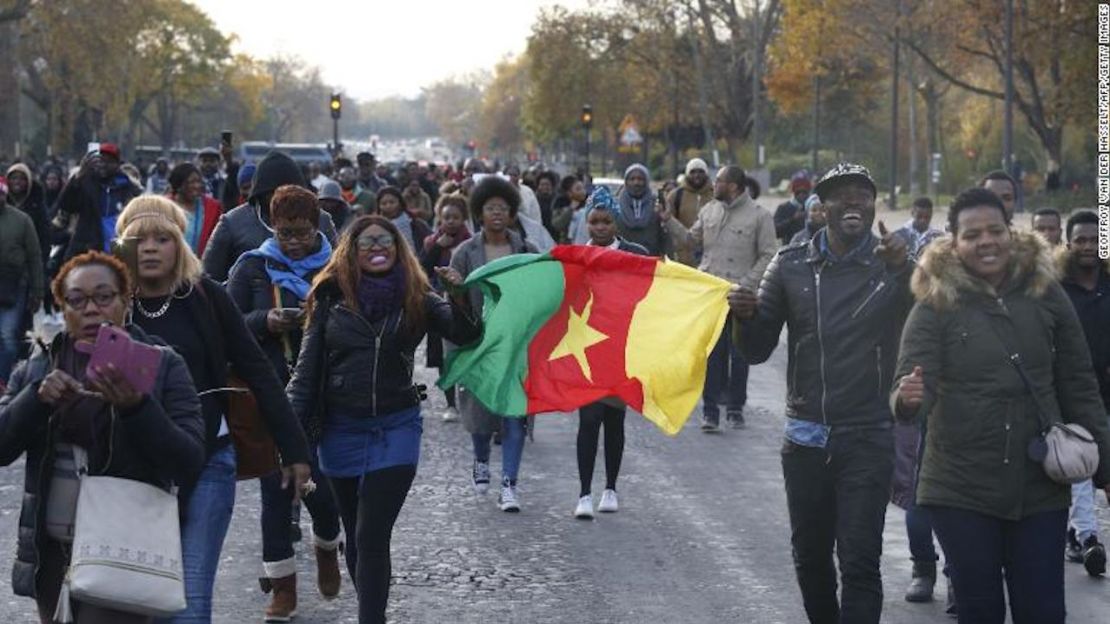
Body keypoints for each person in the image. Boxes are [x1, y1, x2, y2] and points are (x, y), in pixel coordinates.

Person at [892, 188, 1110, 623]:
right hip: (960, 486)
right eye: (972, 234)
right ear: (954, 242)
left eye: (995, 230)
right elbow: (912, 383)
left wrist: (1107, 470)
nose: (985, 241)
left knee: (1044, 610)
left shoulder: (1046, 293)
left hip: (1040, 485)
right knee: (979, 610)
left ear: (1011, 233)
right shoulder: (934, 303)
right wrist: (907, 399)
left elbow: (1078, 384)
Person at [114, 197, 313, 624]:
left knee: (189, 601)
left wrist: (294, 451)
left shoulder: (207, 298)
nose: (149, 248)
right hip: (129, 474)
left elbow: (259, 373)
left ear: (180, 246)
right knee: (136, 599)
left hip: (206, 461)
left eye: (162, 238)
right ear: (122, 247)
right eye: (138, 239)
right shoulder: (109, 302)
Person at [729, 163, 912, 623]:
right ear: (821, 206)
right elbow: (755, 351)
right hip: (807, 437)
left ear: (874, 205)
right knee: (810, 560)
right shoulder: (790, 264)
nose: (852, 201)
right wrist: (746, 319)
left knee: (859, 560)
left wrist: (906, 268)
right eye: (840, 194)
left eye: (862, 194)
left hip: (868, 435)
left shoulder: (891, 265)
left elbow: (929, 319)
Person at [287, 215, 480, 624]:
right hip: (339, 429)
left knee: (372, 534)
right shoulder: (328, 297)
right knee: (355, 533)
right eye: (367, 242)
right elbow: (305, 375)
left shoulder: (418, 295)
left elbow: (466, 336)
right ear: (351, 251)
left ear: (398, 250)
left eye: (386, 242)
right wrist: (288, 438)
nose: (378, 248)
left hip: (397, 425)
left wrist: (459, 295)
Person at [0, 251, 205, 623]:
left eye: (104, 297)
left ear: (126, 303)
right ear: (63, 310)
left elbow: (189, 461)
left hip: (120, 550)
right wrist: (36, 399)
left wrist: (137, 409)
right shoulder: (39, 366)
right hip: (52, 556)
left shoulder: (163, 366)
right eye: (76, 300)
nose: (91, 309)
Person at [226, 186, 344, 620]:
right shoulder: (253, 267)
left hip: (321, 395)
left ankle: (328, 543)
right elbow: (229, 323)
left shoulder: (336, 270)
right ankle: (283, 587)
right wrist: (265, 320)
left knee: (320, 488)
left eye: (302, 232)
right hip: (267, 395)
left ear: (318, 228)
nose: (293, 242)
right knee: (275, 491)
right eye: (284, 233)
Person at [662, 165, 777, 431]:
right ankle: (710, 411)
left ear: (734, 186)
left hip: (741, 298)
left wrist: (746, 285)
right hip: (711, 296)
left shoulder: (759, 217)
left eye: (719, 181)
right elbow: (691, 241)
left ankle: (735, 409)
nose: (714, 185)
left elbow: (769, 255)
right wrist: (669, 220)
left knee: (739, 356)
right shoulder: (710, 210)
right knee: (712, 355)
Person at [449, 176, 537, 511]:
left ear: (512, 214)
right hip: (478, 344)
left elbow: (541, 290)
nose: (497, 213)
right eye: (490, 208)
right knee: (480, 418)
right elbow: (453, 298)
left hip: (516, 346)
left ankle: (510, 485)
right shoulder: (465, 252)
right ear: (480, 213)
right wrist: (453, 286)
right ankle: (481, 459)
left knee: (514, 416)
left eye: (503, 208)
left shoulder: (527, 251)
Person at [572, 188, 648, 520]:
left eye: (606, 221)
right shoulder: (575, 258)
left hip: (621, 350)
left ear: (615, 221)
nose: (600, 227)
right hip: (586, 350)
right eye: (594, 222)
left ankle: (611, 487)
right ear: (586, 223)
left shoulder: (635, 255)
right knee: (588, 421)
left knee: (614, 420)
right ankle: (584, 492)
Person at [1058, 210, 1109, 577]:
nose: (1088, 246)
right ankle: (1087, 538)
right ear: (1069, 243)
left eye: (1095, 239)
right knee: (1080, 466)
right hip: (1072, 394)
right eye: (1081, 240)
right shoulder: (1057, 290)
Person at [201, 151, 337, 283]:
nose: (282, 198)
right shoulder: (232, 223)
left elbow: (338, 271)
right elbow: (209, 280)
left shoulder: (322, 221)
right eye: (274, 193)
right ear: (261, 193)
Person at [420, 194, 472, 423]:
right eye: (446, 217)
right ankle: (451, 404)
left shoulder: (471, 243)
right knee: (444, 358)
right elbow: (422, 269)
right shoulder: (431, 242)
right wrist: (435, 249)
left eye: (456, 217)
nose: (451, 221)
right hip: (438, 305)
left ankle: (471, 400)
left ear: (464, 219)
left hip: (464, 305)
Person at [56, 144, 142, 261]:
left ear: (117, 165)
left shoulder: (128, 188)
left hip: (120, 251)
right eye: (100, 161)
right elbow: (66, 204)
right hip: (88, 249)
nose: (103, 165)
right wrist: (79, 177)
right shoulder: (85, 183)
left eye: (109, 162)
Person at [0, 177, 44, 382]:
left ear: (5, 194)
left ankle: (3, 379)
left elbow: (35, 256)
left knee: (8, 337)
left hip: (14, 286)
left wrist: (38, 291)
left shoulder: (22, 220)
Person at [665, 158, 715, 265]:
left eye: (700, 171)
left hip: (711, 257)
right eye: (693, 172)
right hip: (683, 257)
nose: (697, 175)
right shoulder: (676, 195)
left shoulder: (716, 194)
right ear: (687, 174)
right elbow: (667, 222)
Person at [166, 163, 222, 256]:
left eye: (199, 181)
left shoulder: (212, 208)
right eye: (192, 182)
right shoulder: (163, 207)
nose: (197, 186)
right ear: (178, 185)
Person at [613, 164, 667, 255]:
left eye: (640, 179)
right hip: (622, 259)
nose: (636, 183)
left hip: (651, 260)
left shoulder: (657, 204)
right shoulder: (615, 206)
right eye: (632, 179)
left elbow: (665, 237)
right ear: (626, 182)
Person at [6, 164, 50, 268]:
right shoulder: (3, 203)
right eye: (14, 178)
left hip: (30, 259)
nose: (17, 182)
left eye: (22, 179)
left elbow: (45, 234)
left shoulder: (37, 204)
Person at [376, 185, 431, 252]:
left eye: (392, 202)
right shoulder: (377, 227)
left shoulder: (416, 224)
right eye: (384, 204)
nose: (388, 206)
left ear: (400, 203)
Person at [774, 171, 812, 245]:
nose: (801, 195)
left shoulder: (814, 208)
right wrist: (792, 220)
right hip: (789, 250)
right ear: (793, 191)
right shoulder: (783, 208)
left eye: (804, 192)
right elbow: (775, 232)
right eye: (798, 192)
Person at [550, 175, 586, 243]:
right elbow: (557, 225)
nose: (583, 191)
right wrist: (570, 210)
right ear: (569, 192)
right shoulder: (560, 204)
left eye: (583, 188)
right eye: (578, 189)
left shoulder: (589, 203)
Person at [534, 170, 560, 238]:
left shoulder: (558, 200)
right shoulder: (534, 200)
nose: (545, 187)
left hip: (555, 235)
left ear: (552, 185)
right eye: (542, 184)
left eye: (547, 184)